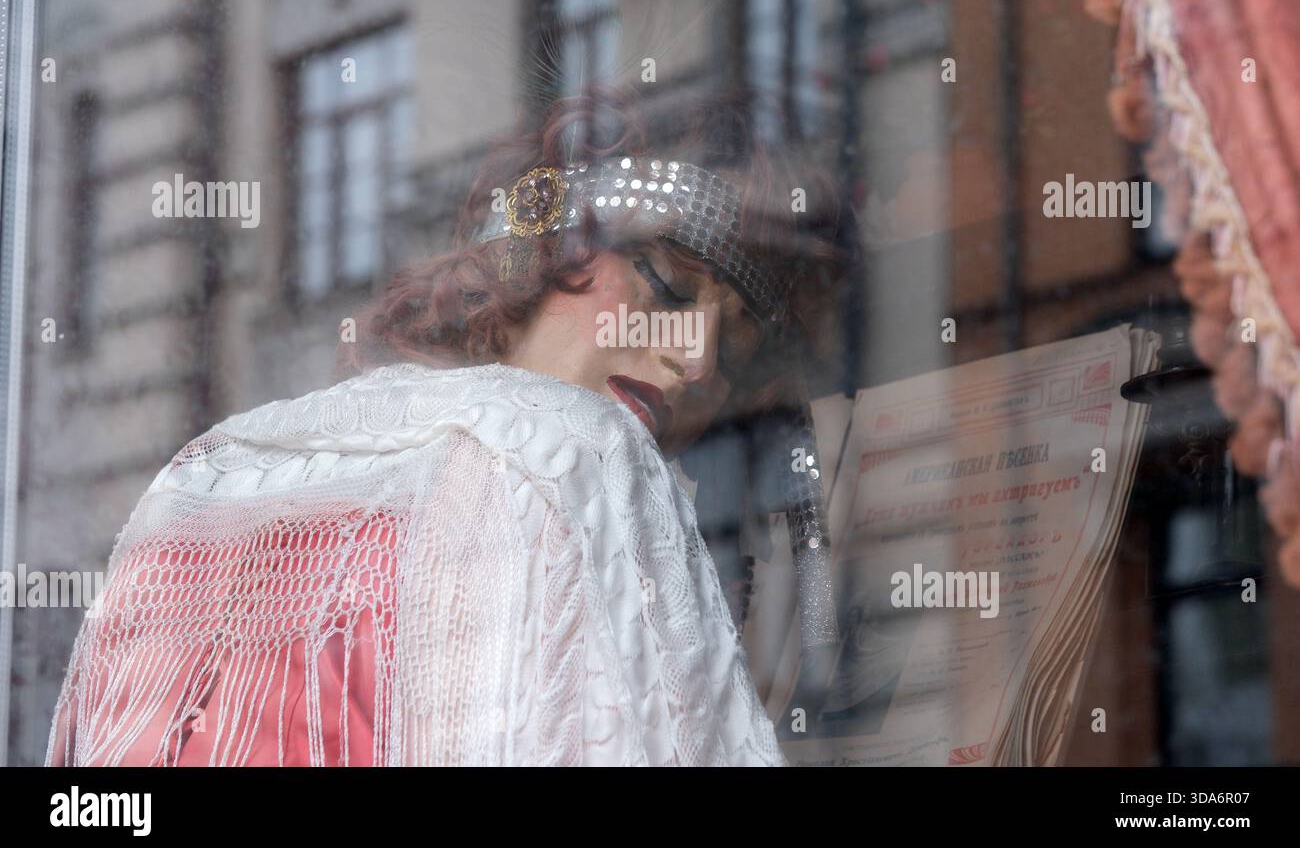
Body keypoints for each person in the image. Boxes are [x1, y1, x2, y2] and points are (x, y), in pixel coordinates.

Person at [45, 93, 845, 766]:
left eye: (731, 342)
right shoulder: (571, 460)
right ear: (549, 251)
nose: (698, 361)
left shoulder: (209, 477)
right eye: (668, 287)